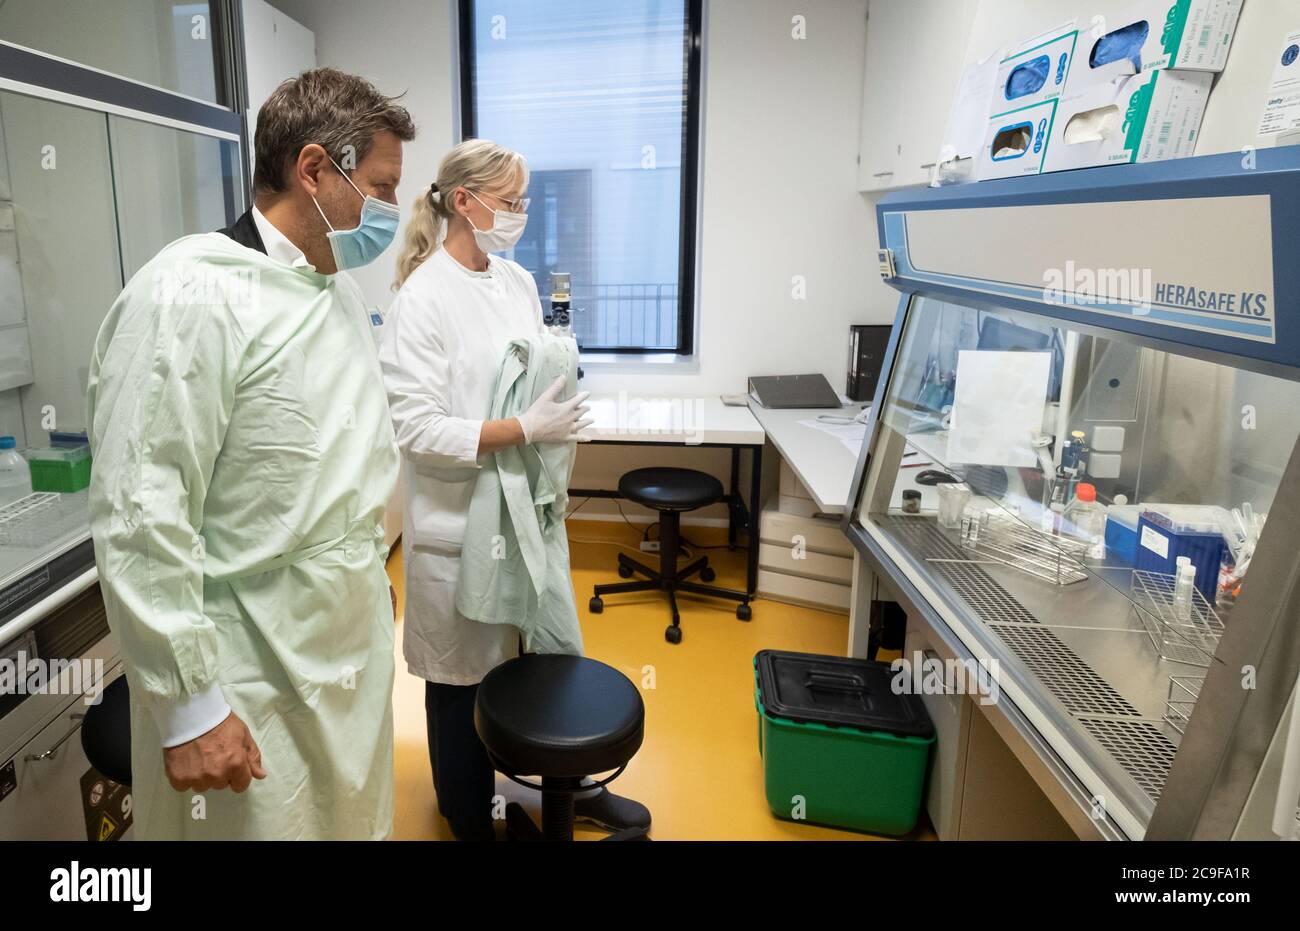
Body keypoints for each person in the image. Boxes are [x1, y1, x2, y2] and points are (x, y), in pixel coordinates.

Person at [86, 68, 415, 840]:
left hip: (343, 649)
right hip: (246, 669)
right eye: (382, 186)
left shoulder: (331, 289)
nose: (394, 211)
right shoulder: (191, 295)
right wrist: (191, 704)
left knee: (347, 822)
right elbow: (141, 506)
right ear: (312, 169)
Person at [379, 139, 649, 840]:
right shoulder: (422, 299)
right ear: (463, 201)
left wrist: (554, 400)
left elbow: (533, 372)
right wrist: (520, 429)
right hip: (457, 523)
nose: (521, 213)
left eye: (524, 201)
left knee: (547, 657)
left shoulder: (517, 282)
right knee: (461, 679)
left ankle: (573, 786)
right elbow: (419, 429)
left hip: (526, 516)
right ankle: (470, 816)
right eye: (511, 200)